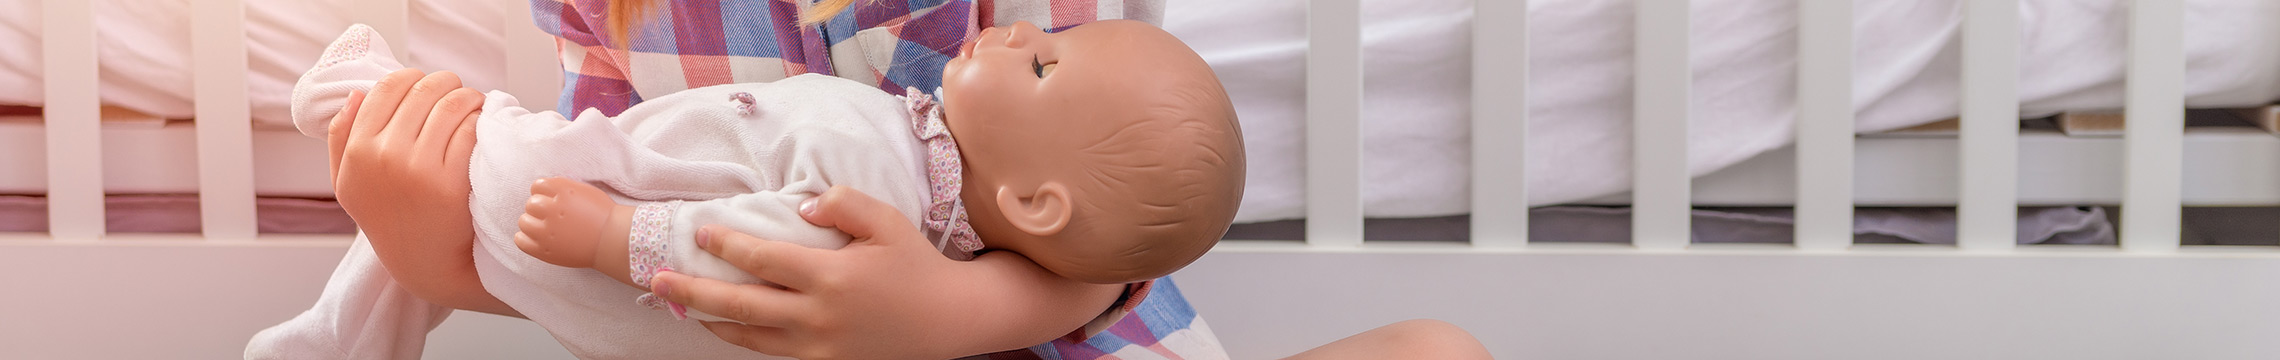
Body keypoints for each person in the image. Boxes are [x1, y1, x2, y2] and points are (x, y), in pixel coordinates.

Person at [273, 20, 1241, 359]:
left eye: (1047, 62)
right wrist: (437, 263)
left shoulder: (1021, 65)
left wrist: (957, 309)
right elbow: (603, 192)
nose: (1033, 53)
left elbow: (1111, 254)